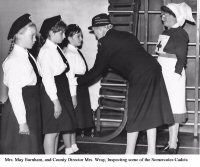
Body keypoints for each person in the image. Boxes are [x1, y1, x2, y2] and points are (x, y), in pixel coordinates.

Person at [76, 13, 175, 154]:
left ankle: (128, 155)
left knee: (134, 115)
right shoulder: (126, 35)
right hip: (154, 70)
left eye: (95, 31)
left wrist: (77, 81)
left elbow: (97, 70)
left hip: (141, 76)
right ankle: (151, 153)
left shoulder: (105, 42)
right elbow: (130, 57)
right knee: (150, 112)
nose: (95, 34)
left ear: (102, 29)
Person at [156, 3, 195, 154]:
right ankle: (172, 141)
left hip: (173, 74)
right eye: (162, 14)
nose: (162, 17)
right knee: (169, 109)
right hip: (164, 73)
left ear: (176, 17)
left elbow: (182, 58)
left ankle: (173, 143)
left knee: (175, 108)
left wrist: (176, 75)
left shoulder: (180, 33)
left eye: (166, 14)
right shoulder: (167, 32)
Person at [0, 14, 43, 154]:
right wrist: (22, 122)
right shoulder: (13, 61)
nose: (35, 39)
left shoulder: (27, 55)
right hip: (20, 111)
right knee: (22, 150)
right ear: (19, 35)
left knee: (33, 150)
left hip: (31, 106)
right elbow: (14, 93)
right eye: (32, 36)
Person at [37, 15, 77, 154]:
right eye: (61, 33)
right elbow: (48, 79)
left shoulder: (56, 48)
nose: (64, 36)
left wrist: (71, 94)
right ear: (51, 33)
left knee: (57, 130)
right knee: (51, 131)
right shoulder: (46, 52)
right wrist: (56, 102)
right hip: (52, 92)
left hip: (60, 89)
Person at [59, 24, 94, 150]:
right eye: (78, 36)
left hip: (80, 88)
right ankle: (68, 147)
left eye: (81, 36)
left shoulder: (75, 51)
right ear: (69, 38)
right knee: (70, 118)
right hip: (73, 89)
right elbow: (69, 77)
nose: (81, 39)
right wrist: (73, 96)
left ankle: (73, 144)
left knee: (75, 119)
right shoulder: (68, 53)